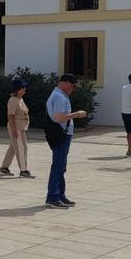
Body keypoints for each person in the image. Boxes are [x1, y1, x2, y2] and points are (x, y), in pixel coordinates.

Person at [45, 74, 87, 209]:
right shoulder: (59, 97)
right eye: (73, 86)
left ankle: (60, 195)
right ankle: (52, 196)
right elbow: (58, 118)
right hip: (61, 135)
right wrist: (77, 114)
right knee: (58, 166)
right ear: (65, 83)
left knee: (61, 167)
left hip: (61, 134)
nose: (73, 89)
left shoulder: (59, 95)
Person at [0, 78, 33, 178]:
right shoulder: (13, 100)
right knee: (22, 147)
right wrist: (14, 130)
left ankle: (4, 168)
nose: (25, 89)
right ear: (17, 89)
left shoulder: (20, 99)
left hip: (20, 127)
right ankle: (23, 170)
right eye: (23, 87)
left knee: (14, 147)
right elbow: (10, 116)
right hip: (16, 127)